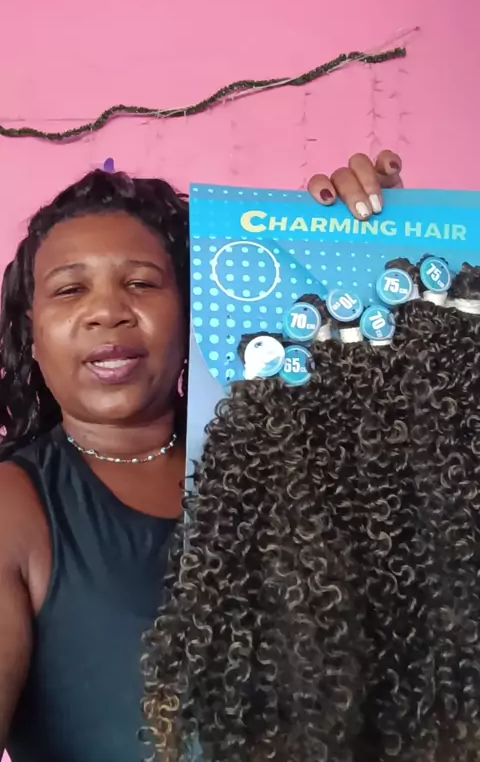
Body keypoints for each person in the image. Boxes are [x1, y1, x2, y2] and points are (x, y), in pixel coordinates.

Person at [0, 150, 403, 762]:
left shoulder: (288, 467)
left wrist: (386, 246)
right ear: (32, 331)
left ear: (192, 308)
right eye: (70, 289)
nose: (107, 311)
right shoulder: (15, 508)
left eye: (141, 283)